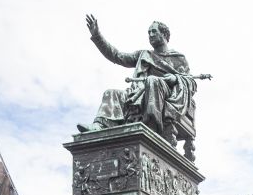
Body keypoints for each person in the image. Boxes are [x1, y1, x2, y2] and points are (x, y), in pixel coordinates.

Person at [77, 16, 197, 144]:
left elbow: (191, 83)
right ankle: (100, 125)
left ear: (164, 34)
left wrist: (175, 78)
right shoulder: (144, 54)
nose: (150, 35)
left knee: (152, 81)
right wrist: (97, 36)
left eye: (154, 31)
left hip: (164, 96)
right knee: (111, 93)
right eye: (149, 32)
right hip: (139, 94)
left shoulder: (178, 58)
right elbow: (117, 56)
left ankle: (152, 127)